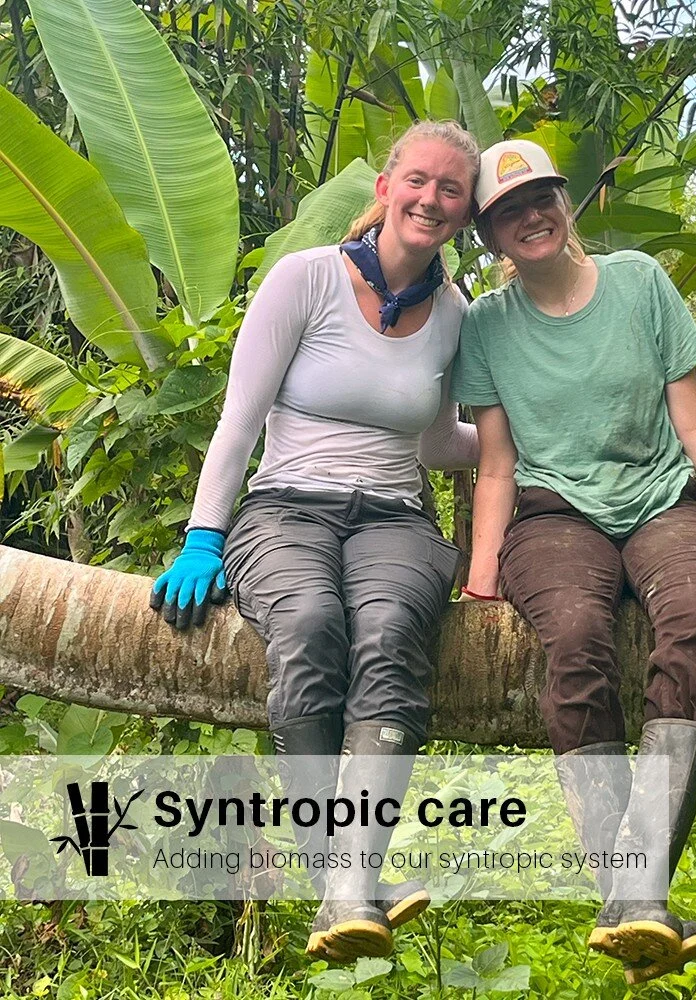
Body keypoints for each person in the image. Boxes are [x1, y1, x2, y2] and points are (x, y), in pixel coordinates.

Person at [452, 139, 696, 985]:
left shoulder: (639, 283)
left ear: (565, 202)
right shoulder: (486, 327)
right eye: (508, 211)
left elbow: (694, 423)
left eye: (541, 197)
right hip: (553, 516)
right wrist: (481, 577)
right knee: (578, 635)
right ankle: (640, 896)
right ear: (491, 237)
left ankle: (633, 898)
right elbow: (499, 465)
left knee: (695, 618)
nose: (530, 217)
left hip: (664, 503)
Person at [149, 120, 481, 961]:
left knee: (390, 632)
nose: (431, 200)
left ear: (465, 212)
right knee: (306, 625)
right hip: (285, 508)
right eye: (419, 181)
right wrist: (202, 536)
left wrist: (538, 443)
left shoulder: (453, 314)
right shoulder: (306, 279)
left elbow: (442, 442)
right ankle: (343, 880)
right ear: (385, 188)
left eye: (452, 190)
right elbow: (240, 417)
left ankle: (348, 886)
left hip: (395, 518)